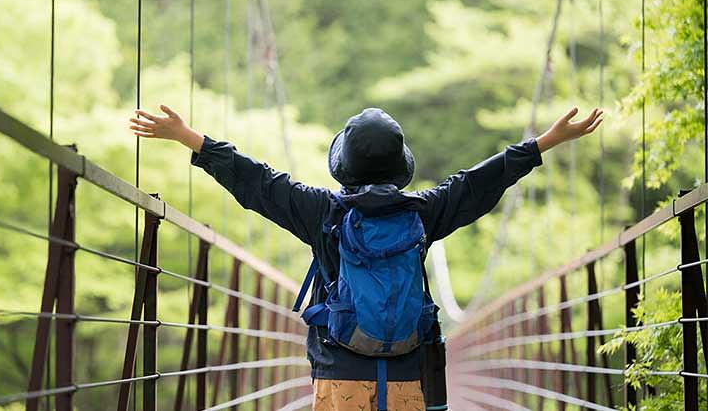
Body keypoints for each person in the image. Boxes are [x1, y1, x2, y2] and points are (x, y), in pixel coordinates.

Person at [128, 105, 603, 410]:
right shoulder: (423, 212)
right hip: (407, 372)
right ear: (401, 166)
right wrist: (545, 142)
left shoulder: (322, 213)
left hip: (340, 373)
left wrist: (189, 137)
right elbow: (479, 182)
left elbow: (258, 182)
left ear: (343, 165)